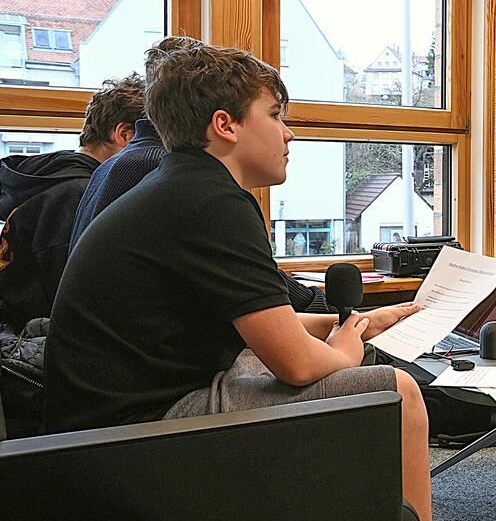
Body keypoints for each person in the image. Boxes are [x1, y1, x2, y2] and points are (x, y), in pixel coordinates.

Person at [45, 41, 496, 521]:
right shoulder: (211, 200)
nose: (290, 132)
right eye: (276, 114)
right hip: (132, 434)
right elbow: (295, 362)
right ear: (227, 125)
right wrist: (348, 350)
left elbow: (268, 322)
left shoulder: (184, 187)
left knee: (355, 366)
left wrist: (359, 322)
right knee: (396, 395)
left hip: (121, 410)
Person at [68, 36, 335, 315]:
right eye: (274, 114)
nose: (288, 133)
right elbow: (241, 276)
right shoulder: (172, 175)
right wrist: (324, 310)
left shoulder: (121, 165)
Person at [0, 74, 145, 329]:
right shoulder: (78, 194)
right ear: (125, 135)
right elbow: (73, 299)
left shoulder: (49, 174)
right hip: (33, 336)